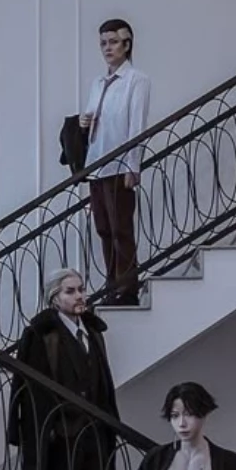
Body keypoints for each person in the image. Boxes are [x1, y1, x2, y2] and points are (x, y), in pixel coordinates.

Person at [6, 268, 120, 470]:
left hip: (94, 433)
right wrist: (48, 429)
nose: (79, 296)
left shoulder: (93, 331)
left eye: (81, 289)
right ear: (54, 298)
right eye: (70, 291)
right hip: (61, 437)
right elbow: (30, 390)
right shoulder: (42, 335)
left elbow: (102, 382)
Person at [79, 19, 151, 306]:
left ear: (127, 44)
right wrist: (83, 122)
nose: (107, 48)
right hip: (97, 164)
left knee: (121, 227)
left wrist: (133, 166)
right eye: (103, 43)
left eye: (113, 42)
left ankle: (128, 287)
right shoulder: (98, 83)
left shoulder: (136, 80)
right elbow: (93, 117)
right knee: (104, 229)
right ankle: (112, 285)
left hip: (119, 165)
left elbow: (137, 125)